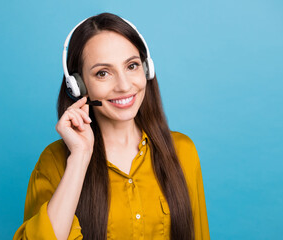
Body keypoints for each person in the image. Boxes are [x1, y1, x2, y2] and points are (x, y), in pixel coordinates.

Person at [13, 12, 209, 240]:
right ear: (78, 86)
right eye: (103, 73)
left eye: (132, 66)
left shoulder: (183, 151)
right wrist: (79, 158)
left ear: (147, 69)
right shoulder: (54, 163)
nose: (124, 86)